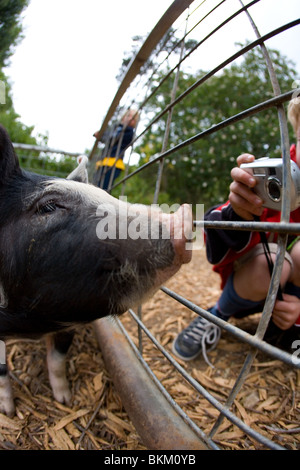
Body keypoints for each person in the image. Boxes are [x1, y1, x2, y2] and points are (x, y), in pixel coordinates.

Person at [173, 98, 300, 362]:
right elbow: (213, 232)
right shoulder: (275, 173)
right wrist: (238, 211)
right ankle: (218, 312)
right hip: (249, 285)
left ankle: (286, 327)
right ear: (296, 130)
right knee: (276, 262)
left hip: (291, 300)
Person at [93, 109, 139, 190]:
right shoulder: (115, 127)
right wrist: (101, 136)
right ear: (123, 117)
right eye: (128, 116)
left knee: (103, 188)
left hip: (114, 163)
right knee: (95, 185)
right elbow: (109, 141)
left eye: (133, 118)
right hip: (103, 161)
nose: (130, 118)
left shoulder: (129, 131)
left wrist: (104, 135)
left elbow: (113, 139)